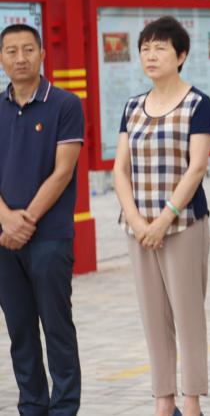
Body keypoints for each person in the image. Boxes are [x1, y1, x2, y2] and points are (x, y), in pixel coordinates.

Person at [111, 17, 210, 416]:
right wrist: (138, 222)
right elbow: (120, 169)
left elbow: (197, 167)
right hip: (139, 229)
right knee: (153, 317)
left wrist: (163, 220)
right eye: (145, 49)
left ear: (181, 55)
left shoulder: (197, 103)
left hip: (183, 224)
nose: (151, 56)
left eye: (160, 48)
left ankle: (192, 401)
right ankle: (163, 400)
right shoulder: (132, 106)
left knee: (188, 316)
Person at [0, 23, 85, 415]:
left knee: (57, 328)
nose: (20, 58)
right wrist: (6, 219)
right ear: (2, 58)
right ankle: (31, 406)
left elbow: (63, 172)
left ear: (42, 54)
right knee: (20, 331)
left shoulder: (65, 104)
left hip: (49, 236)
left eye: (28, 50)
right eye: (11, 51)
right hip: (4, 239)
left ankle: (64, 408)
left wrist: (25, 221)